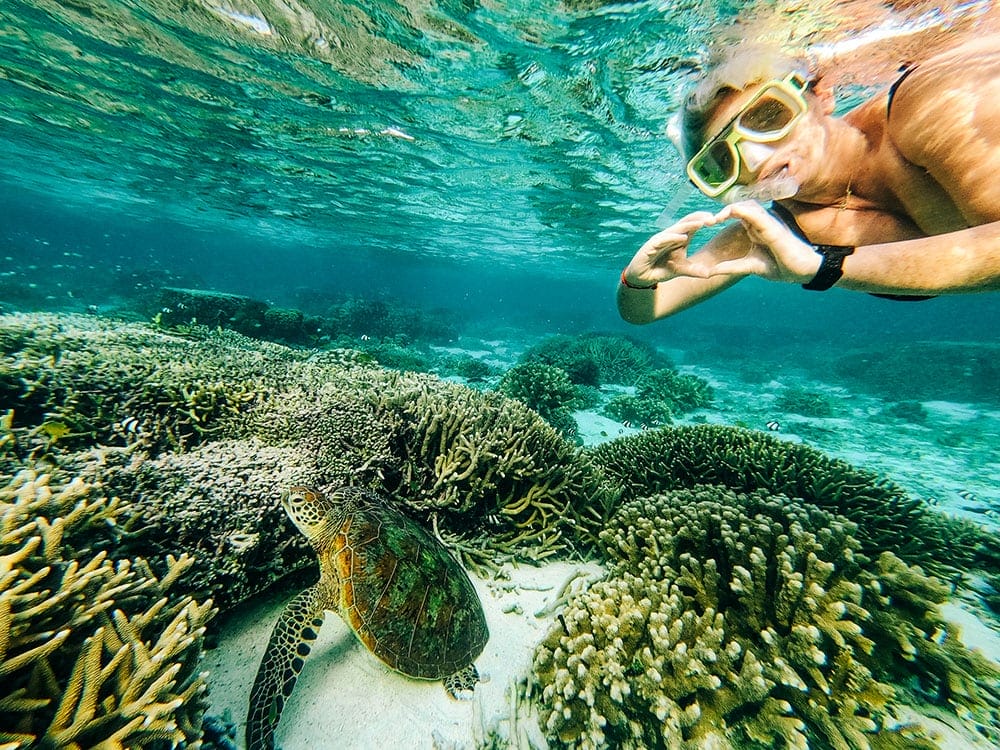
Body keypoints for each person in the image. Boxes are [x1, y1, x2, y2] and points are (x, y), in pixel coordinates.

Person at [617, 35, 1000, 324]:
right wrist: (636, 280)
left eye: (767, 117)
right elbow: (646, 311)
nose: (754, 159)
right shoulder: (787, 227)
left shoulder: (929, 102)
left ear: (821, 94)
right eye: (722, 160)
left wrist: (826, 266)